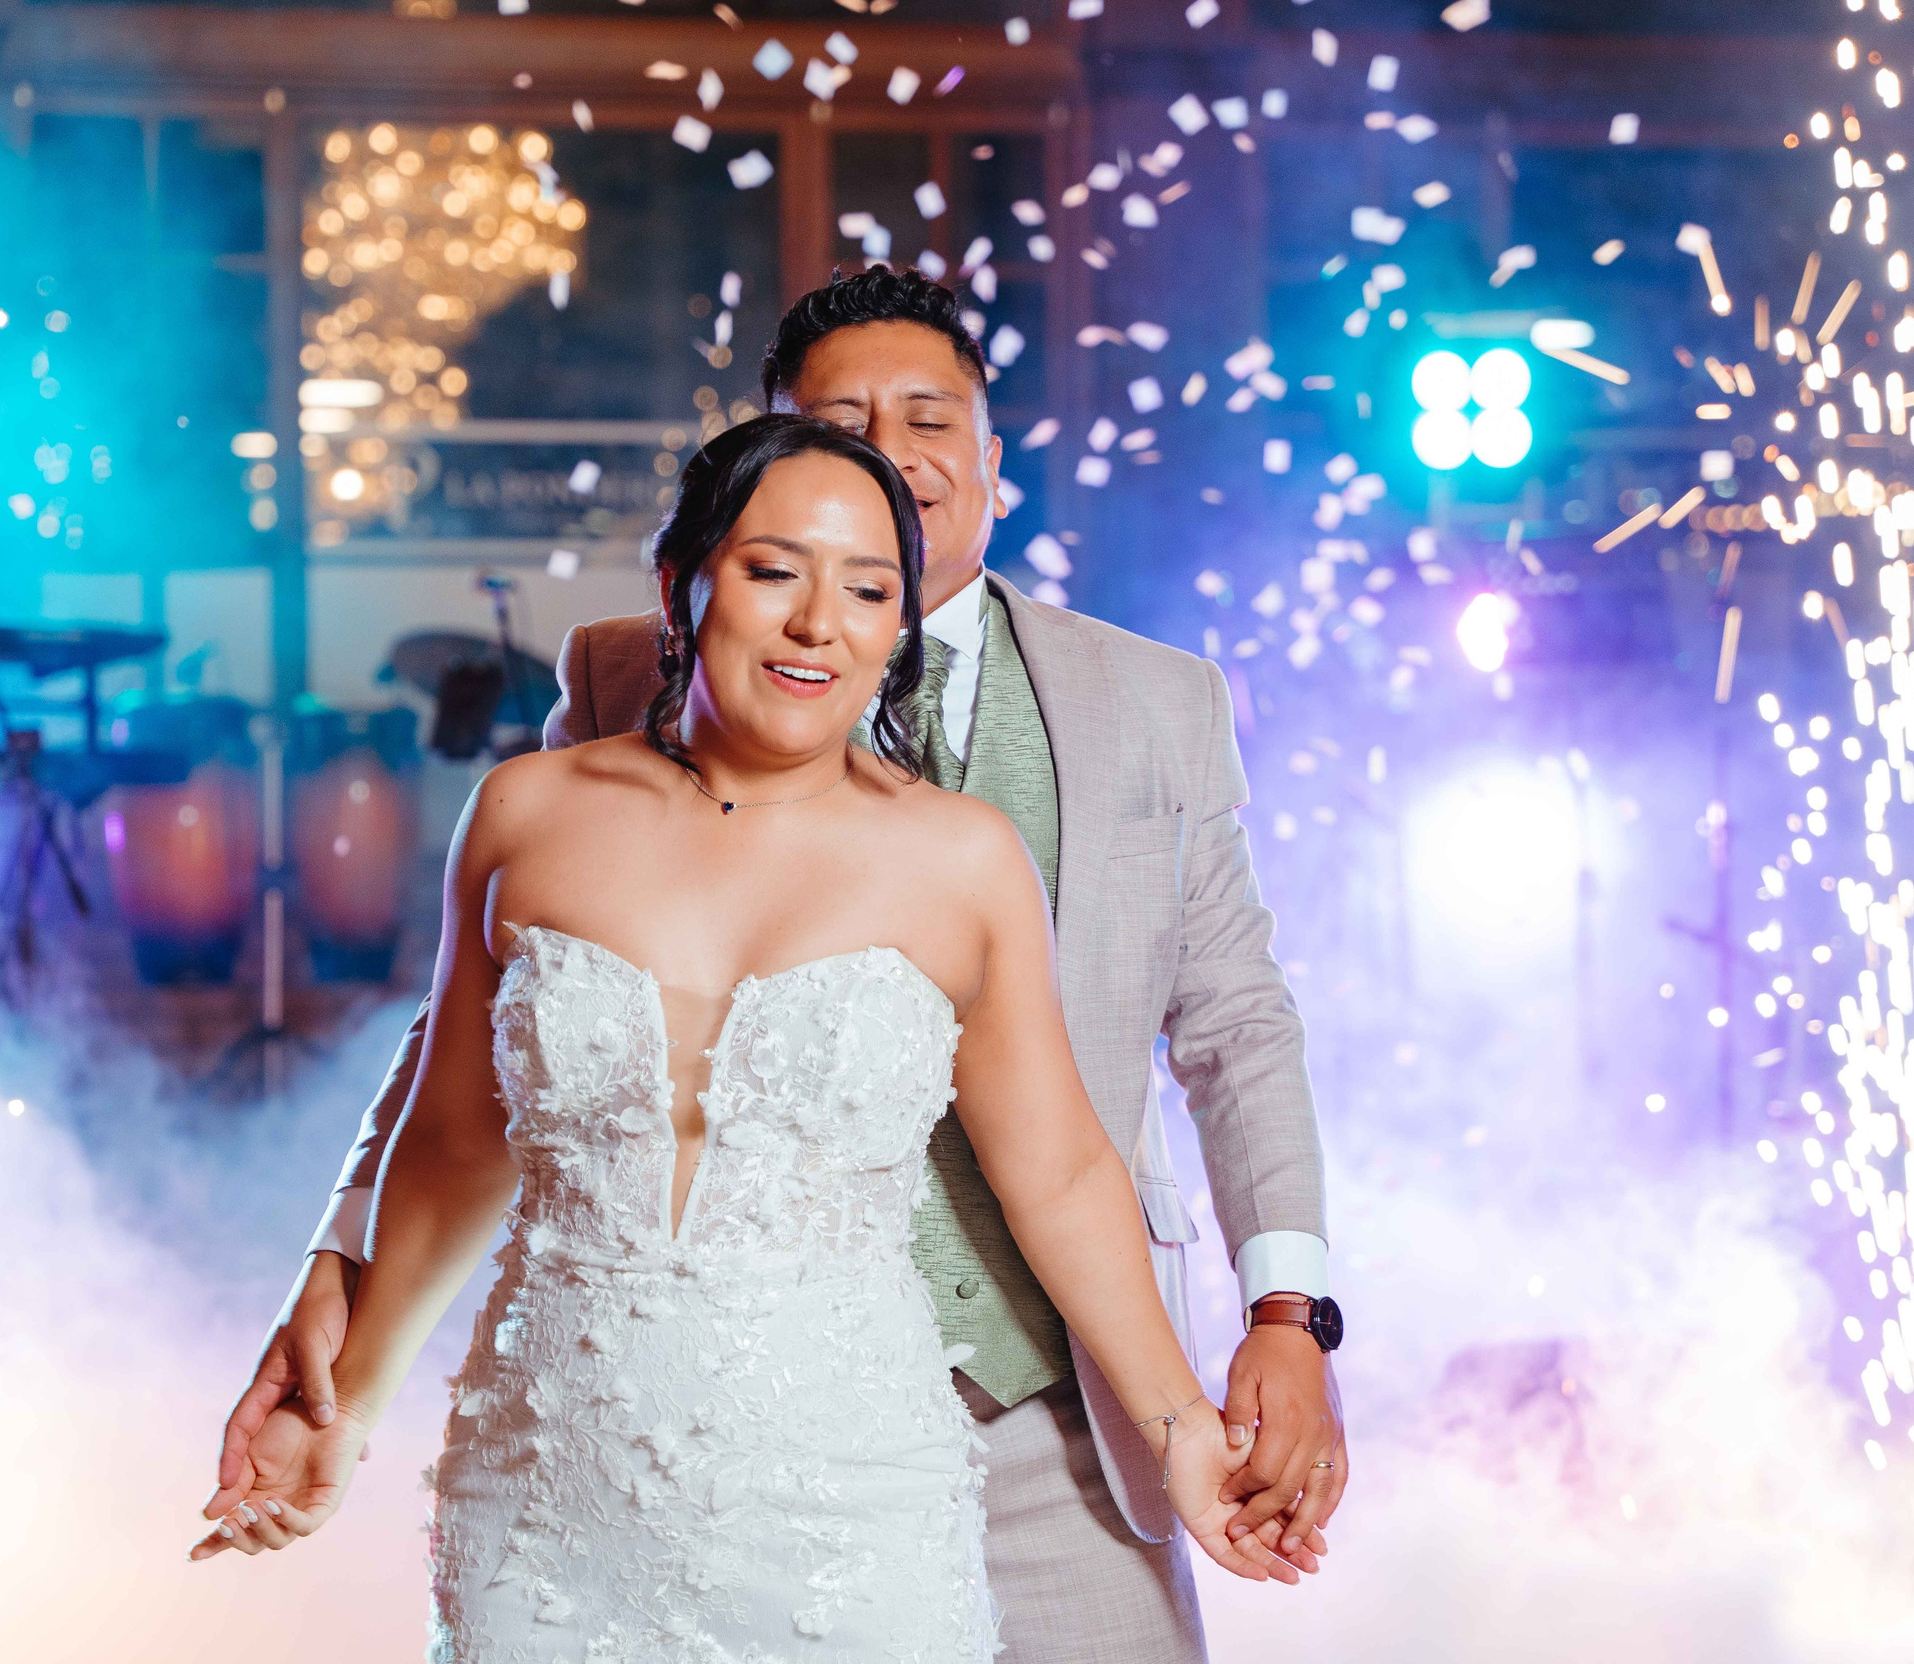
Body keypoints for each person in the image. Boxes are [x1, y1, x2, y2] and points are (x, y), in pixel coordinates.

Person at [210, 268, 1346, 1660]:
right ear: (692, 570)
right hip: (566, 1474)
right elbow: (466, 1102)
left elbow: (1134, 1109)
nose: (822, 619)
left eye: (868, 584)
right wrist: (344, 1361)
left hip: (985, 1435)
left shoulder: (1042, 789)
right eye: (776, 564)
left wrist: (1245, 1354)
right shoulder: (544, 785)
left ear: (988, 463)